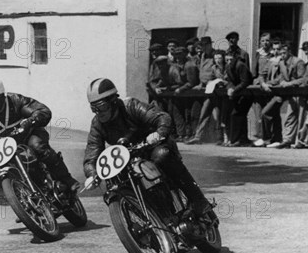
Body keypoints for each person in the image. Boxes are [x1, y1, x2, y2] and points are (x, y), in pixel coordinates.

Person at [82, 78, 213, 219]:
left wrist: (159, 133)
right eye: (93, 108)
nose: (98, 112)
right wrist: (92, 174)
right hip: (129, 158)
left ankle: (199, 201)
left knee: (162, 155)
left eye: (101, 107)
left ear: (113, 101)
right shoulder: (97, 124)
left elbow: (162, 117)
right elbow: (91, 154)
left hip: (153, 147)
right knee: (115, 182)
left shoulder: (130, 106)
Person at [0, 77, 80, 192]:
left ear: (2, 98)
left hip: (29, 135)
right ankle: (18, 194)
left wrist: (30, 121)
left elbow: (43, 111)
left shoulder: (16, 100)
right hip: (6, 147)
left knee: (37, 145)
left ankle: (67, 179)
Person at [258, 44, 306, 148]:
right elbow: (280, 78)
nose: (282, 55)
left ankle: (295, 141)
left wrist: (289, 83)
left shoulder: (298, 62)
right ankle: (277, 139)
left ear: (289, 52)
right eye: (280, 54)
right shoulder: (281, 63)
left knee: (298, 118)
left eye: (284, 53)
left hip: (299, 94)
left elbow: (303, 79)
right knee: (268, 112)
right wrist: (270, 83)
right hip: (284, 93)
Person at [221, 50, 253, 146]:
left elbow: (245, 81)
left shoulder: (241, 65)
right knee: (236, 114)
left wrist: (234, 90)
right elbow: (229, 81)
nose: (229, 62)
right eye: (227, 60)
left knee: (237, 114)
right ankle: (241, 139)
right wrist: (229, 88)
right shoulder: (227, 66)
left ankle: (236, 140)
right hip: (237, 93)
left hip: (247, 93)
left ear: (235, 58)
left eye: (231, 59)